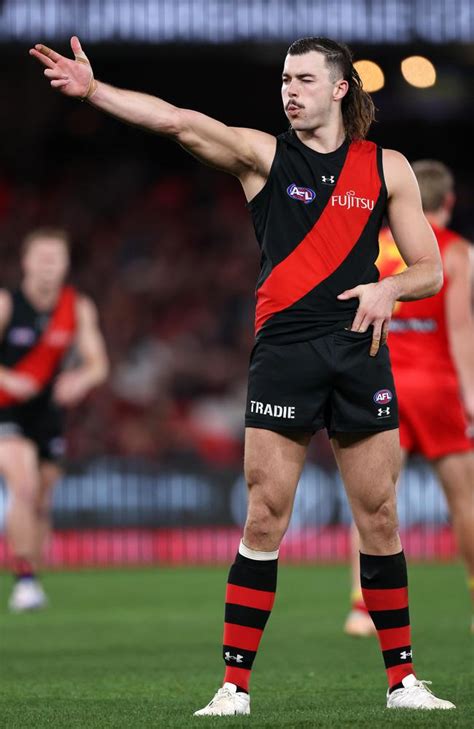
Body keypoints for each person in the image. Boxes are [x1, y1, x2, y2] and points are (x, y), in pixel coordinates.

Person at [29, 35, 455, 713]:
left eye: (305, 79)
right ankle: (235, 686)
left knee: (379, 517)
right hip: (284, 354)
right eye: (285, 78)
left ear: (341, 88)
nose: (290, 90)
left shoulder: (388, 167)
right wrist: (97, 92)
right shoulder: (262, 155)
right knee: (264, 517)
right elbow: (177, 121)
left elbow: (430, 268)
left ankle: (403, 681)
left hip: (357, 352)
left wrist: (390, 289)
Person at [344, 160, 474, 638]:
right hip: (439, 388)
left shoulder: (377, 243)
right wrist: (472, 397)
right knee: (466, 503)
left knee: (372, 498)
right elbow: (460, 330)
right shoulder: (457, 253)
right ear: (451, 202)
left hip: (384, 383)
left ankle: (362, 608)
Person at [0, 227, 108, 611]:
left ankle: (33, 576)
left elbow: (98, 364)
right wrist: (10, 378)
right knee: (24, 487)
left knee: (42, 501)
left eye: (56, 258)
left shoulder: (77, 307)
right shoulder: (6, 305)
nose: (48, 265)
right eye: (41, 257)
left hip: (48, 415)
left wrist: (81, 378)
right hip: (5, 410)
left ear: (65, 264)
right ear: (26, 262)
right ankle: (24, 579)